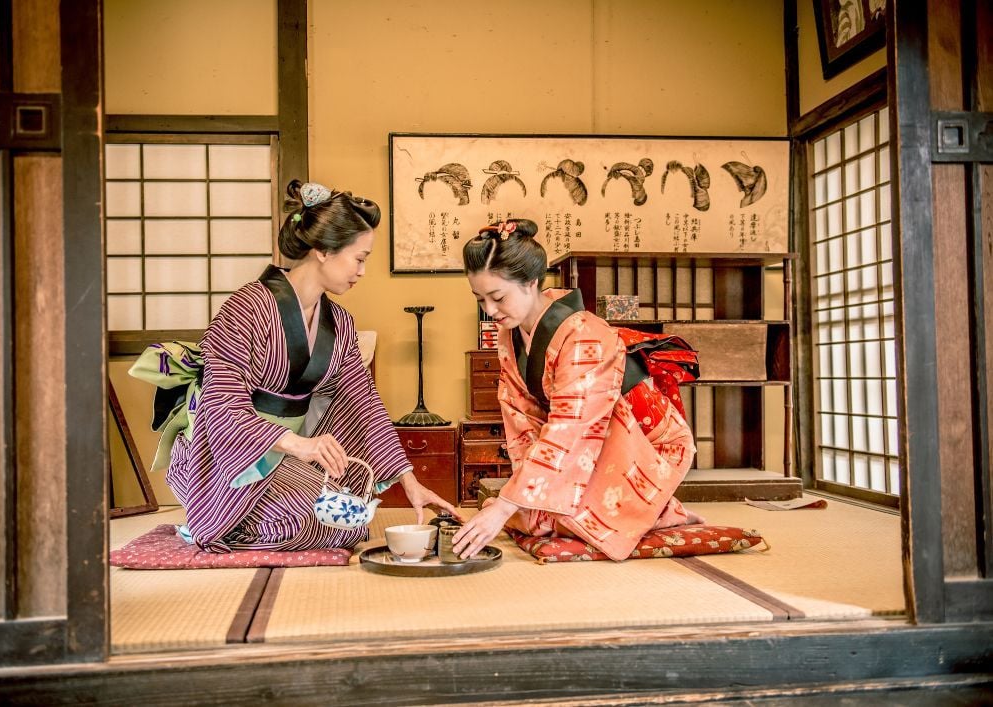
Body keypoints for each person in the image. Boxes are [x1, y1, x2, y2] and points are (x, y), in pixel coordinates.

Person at [131, 180, 457, 552]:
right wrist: (298, 445)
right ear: (322, 250)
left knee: (349, 519)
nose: (362, 271)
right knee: (304, 521)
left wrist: (409, 481)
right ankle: (215, 519)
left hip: (287, 453)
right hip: (228, 458)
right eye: (360, 258)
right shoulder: (245, 309)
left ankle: (279, 502)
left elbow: (363, 403)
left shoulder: (340, 322)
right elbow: (221, 403)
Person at [452, 218, 702, 561]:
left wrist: (508, 503)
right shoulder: (510, 335)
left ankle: (660, 512)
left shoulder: (584, 332)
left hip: (640, 440)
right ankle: (643, 510)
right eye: (480, 300)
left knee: (551, 513)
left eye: (497, 297)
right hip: (586, 439)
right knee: (535, 512)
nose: (489, 311)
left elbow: (573, 426)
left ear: (531, 282)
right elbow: (520, 414)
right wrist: (525, 491)